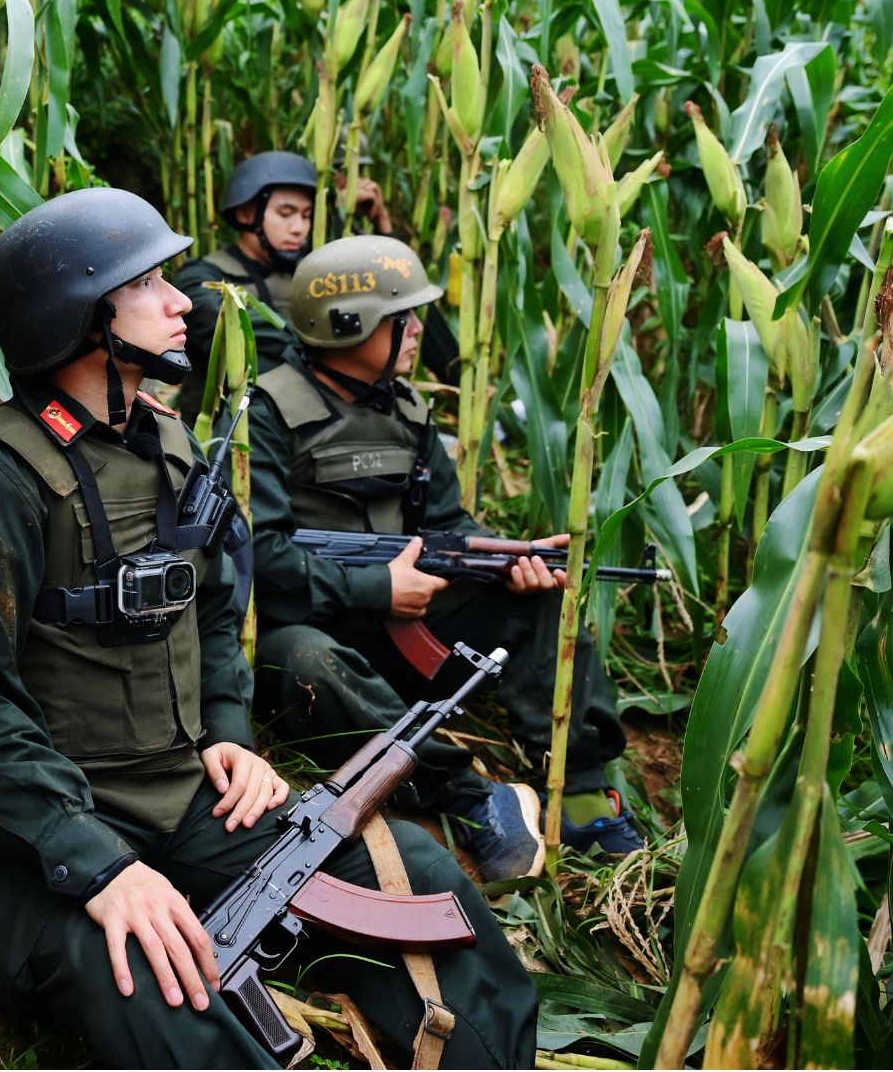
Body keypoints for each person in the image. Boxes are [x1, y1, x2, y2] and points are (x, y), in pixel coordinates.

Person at [0, 190, 536, 1068]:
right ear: (80, 317)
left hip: (181, 793)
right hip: (29, 828)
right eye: (147, 284)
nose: (179, 302)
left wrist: (228, 734)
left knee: (419, 880)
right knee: (161, 984)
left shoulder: (169, 444)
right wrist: (97, 863)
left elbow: (210, 609)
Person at [247, 235, 643, 883]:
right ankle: (469, 796)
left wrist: (501, 559)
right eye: (403, 318)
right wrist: (378, 589)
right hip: (309, 625)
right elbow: (258, 553)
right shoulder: (266, 411)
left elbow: (444, 524)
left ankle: (581, 792)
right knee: (305, 661)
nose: (417, 332)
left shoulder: (407, 408)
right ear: (350, 325)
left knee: (538, 598)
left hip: (405, 621)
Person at [174, 150, 452, 387]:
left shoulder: (316, 274)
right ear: (246, 214)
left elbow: (401, 295)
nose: (299, 228)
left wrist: (383, 229)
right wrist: (338, 344)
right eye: (286, 214)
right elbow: (243, 334)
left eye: (307, 216)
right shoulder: (200, 277)